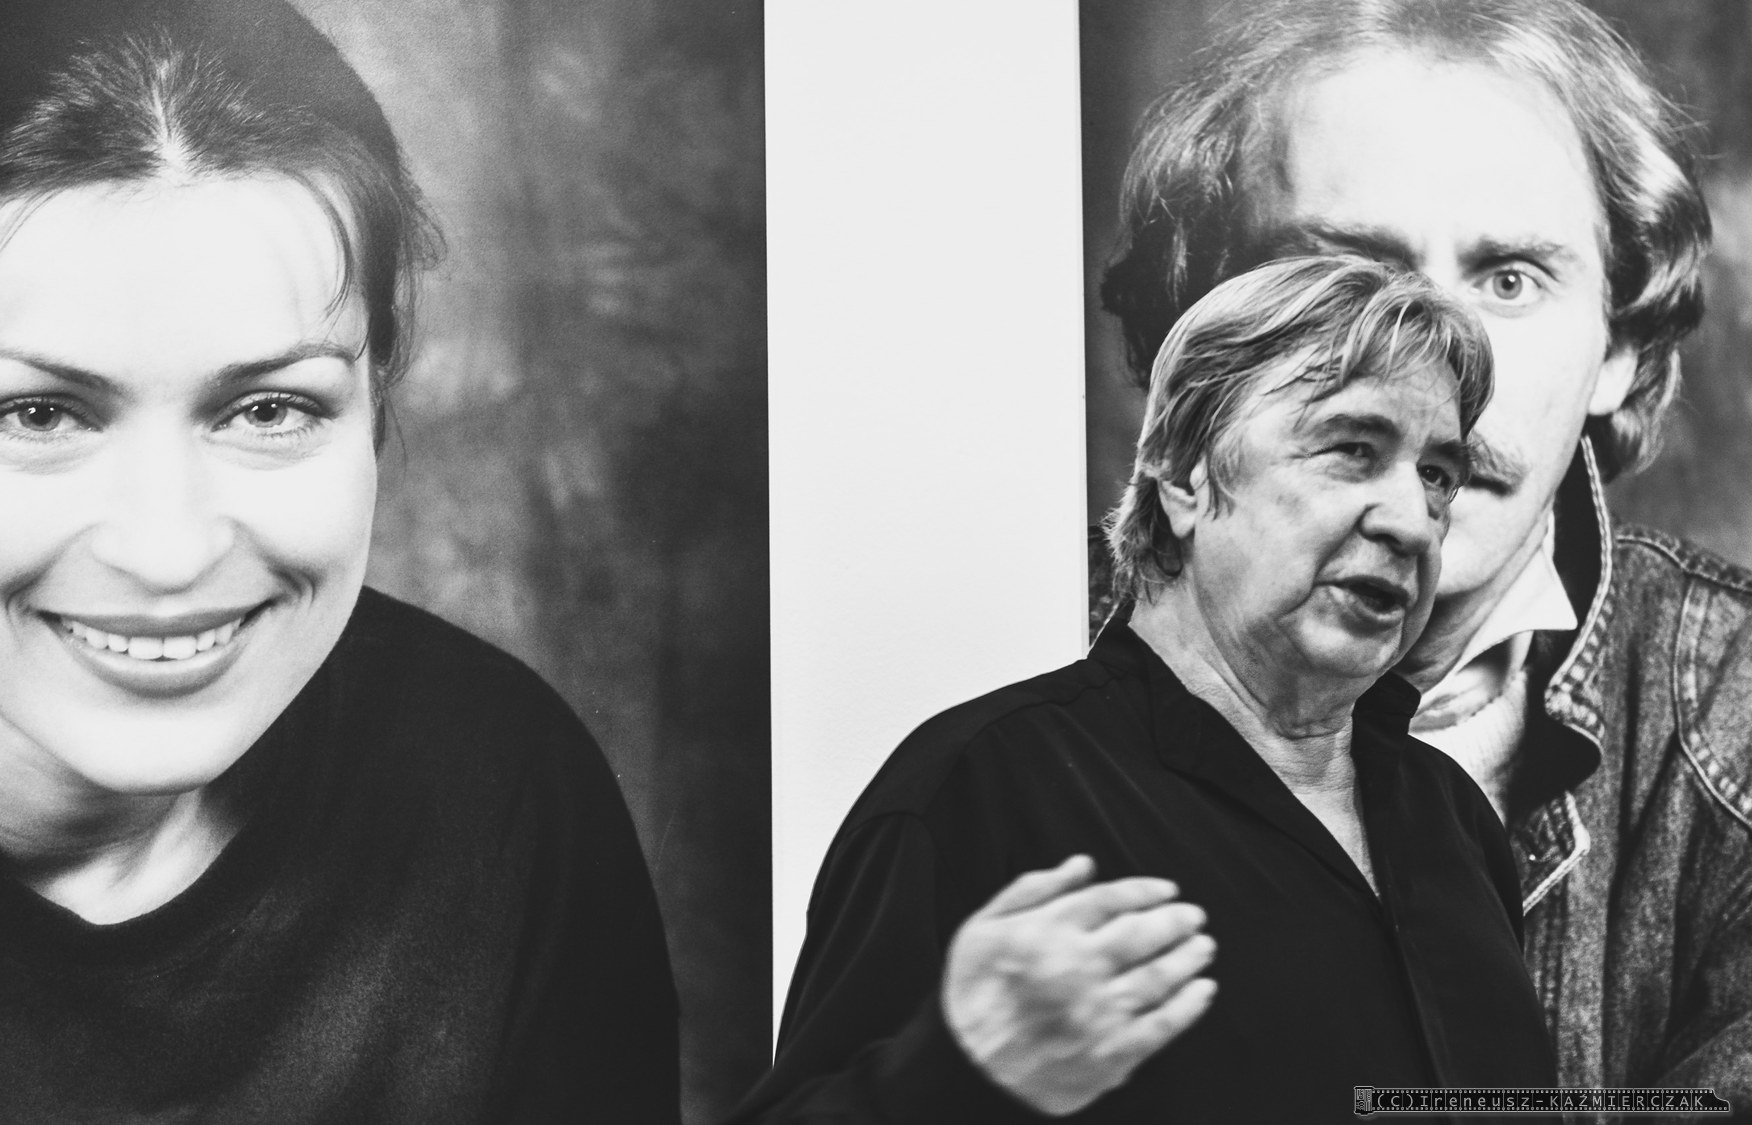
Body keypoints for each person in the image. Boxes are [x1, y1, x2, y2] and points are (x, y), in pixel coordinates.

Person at [0, 0, 679, 1120]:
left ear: (374, 400)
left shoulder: (507, 810)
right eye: (41, 413)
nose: (168, 550)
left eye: (270, 409)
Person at [1096, 0, 1750, 1102]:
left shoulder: (1738, 721)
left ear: (1621, 352)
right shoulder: (1021, 677)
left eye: (1509, 279)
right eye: (1349, 279)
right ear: (1206, 336)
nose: (1444, 375)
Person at [730, 255, 1552, 1123]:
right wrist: (957, 1072)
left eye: (1438, 476)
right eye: (1354, 450)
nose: (1413, 521)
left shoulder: (1454, 817)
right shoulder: (983, 787)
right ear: (1184, 474)